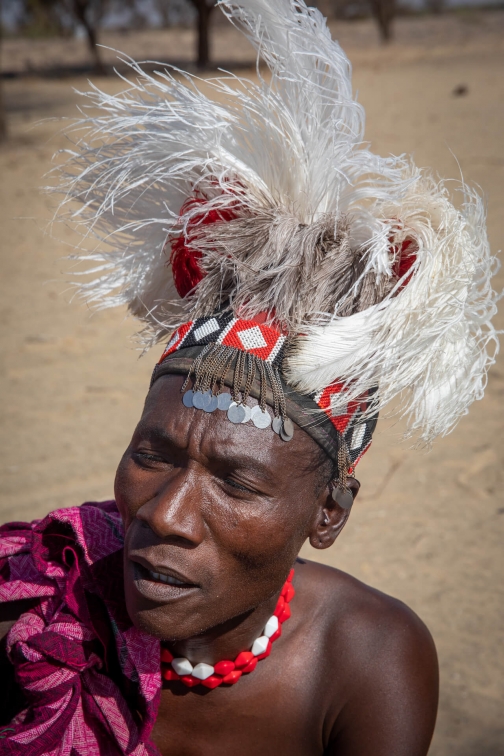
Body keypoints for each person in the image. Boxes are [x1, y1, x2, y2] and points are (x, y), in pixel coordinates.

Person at [0, 0, 499, 753]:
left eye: (235, 482)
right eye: (152, 455)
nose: (165, 515)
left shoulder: (366, 664)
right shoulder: (38, 609)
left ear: (327, 513)